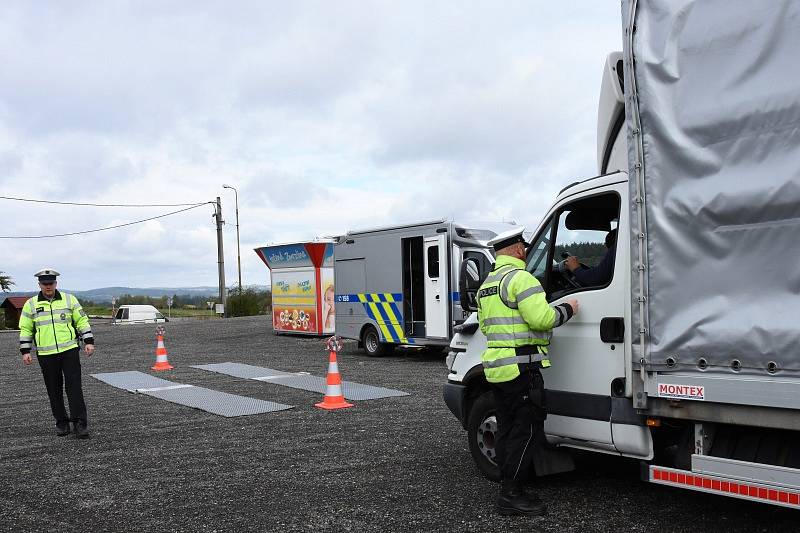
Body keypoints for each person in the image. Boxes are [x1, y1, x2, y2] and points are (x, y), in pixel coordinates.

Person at [477, 227, 579, 517]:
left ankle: (509, 487)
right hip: (521, 369)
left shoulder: (488, 285)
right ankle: (511, 495)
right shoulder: (522, 279)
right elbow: (542, 318)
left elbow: (486, 327)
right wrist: (569, 308)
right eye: (523, 245)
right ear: (519, 250)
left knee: (508, 430)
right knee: (527, 432)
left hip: (498, 369)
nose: (525, 248)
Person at [19, 268, 95, 438]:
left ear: (56, 283)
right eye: (44, 283)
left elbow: (82, 320)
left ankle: (80, 424)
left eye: (51, 283)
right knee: (54, 389)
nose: (48, 286)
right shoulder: (30, 304)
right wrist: (25, 350)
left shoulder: (70, 299)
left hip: (69, 351)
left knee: (74, 388)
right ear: (39, 284)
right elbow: (25, 329)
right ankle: (62, 423)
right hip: (46, 355)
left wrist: (88, 341)